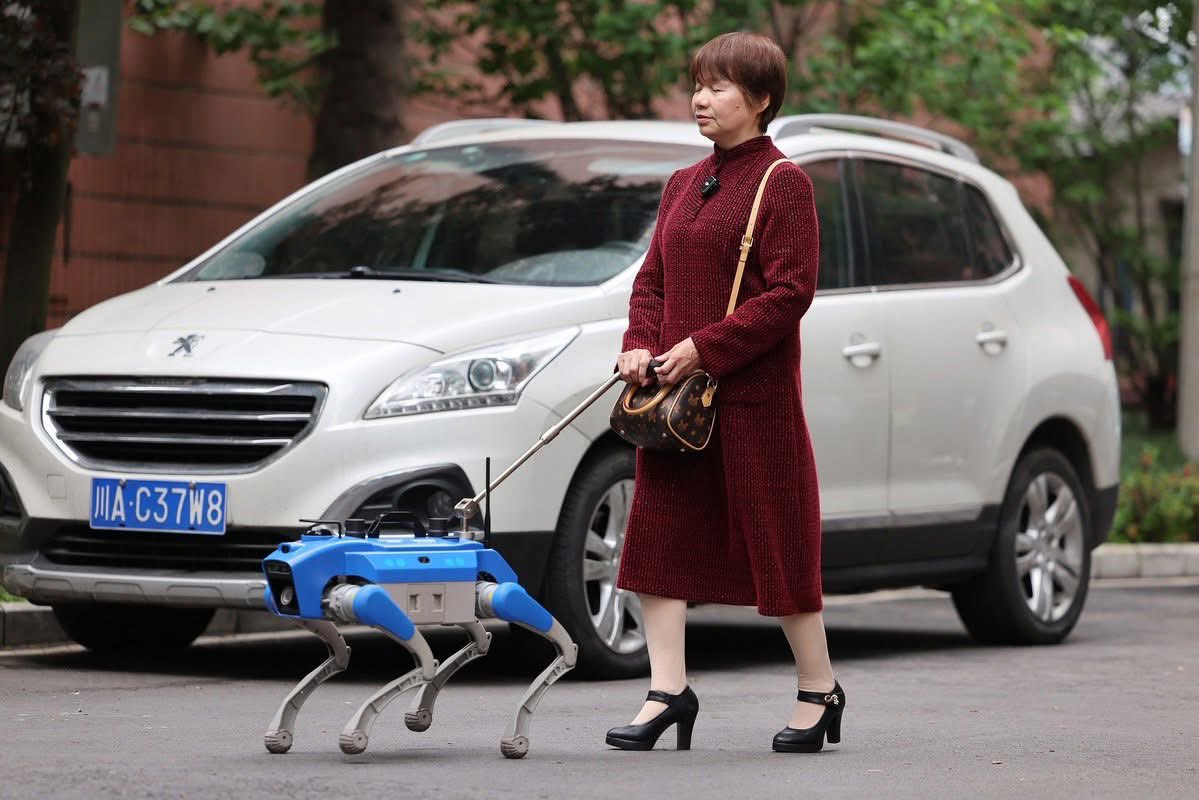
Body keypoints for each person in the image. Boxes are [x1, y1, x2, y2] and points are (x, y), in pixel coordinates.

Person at [607, 31, 844, 754]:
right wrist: (639, 345)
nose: (700, 99)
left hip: (750, 403)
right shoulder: (682, 183)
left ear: (761, 99)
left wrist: (704, 346)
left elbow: (789, 293)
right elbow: (651, 282)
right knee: (657, 540)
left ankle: (818, 689)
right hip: (673, 405)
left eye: (718, 87)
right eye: (697, 85)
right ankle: (666, 691)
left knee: (778, 546)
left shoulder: (784, 184)